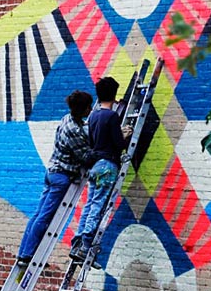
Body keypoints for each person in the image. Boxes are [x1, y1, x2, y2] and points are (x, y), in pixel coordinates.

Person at [16, 90, 95, 267]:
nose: (90, 110)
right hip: (61, 177)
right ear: (82, 109)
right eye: (88, 107)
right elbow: (86, 157)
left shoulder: (67, 119)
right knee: (45, 217)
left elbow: (82, 131)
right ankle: (28, 255)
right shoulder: (73, 129)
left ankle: (24, 253)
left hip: (52, 172)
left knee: (38, 214)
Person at [70, 76, 132, 264]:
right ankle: (86, 246)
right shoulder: (111, 116)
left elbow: (92, 141)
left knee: (90, 204)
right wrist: (126, 135)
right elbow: (118, 144)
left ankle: (77, 242)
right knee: (98, 206)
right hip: (108, 166)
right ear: (114, 95)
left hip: (95, 166)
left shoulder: (92, 116)